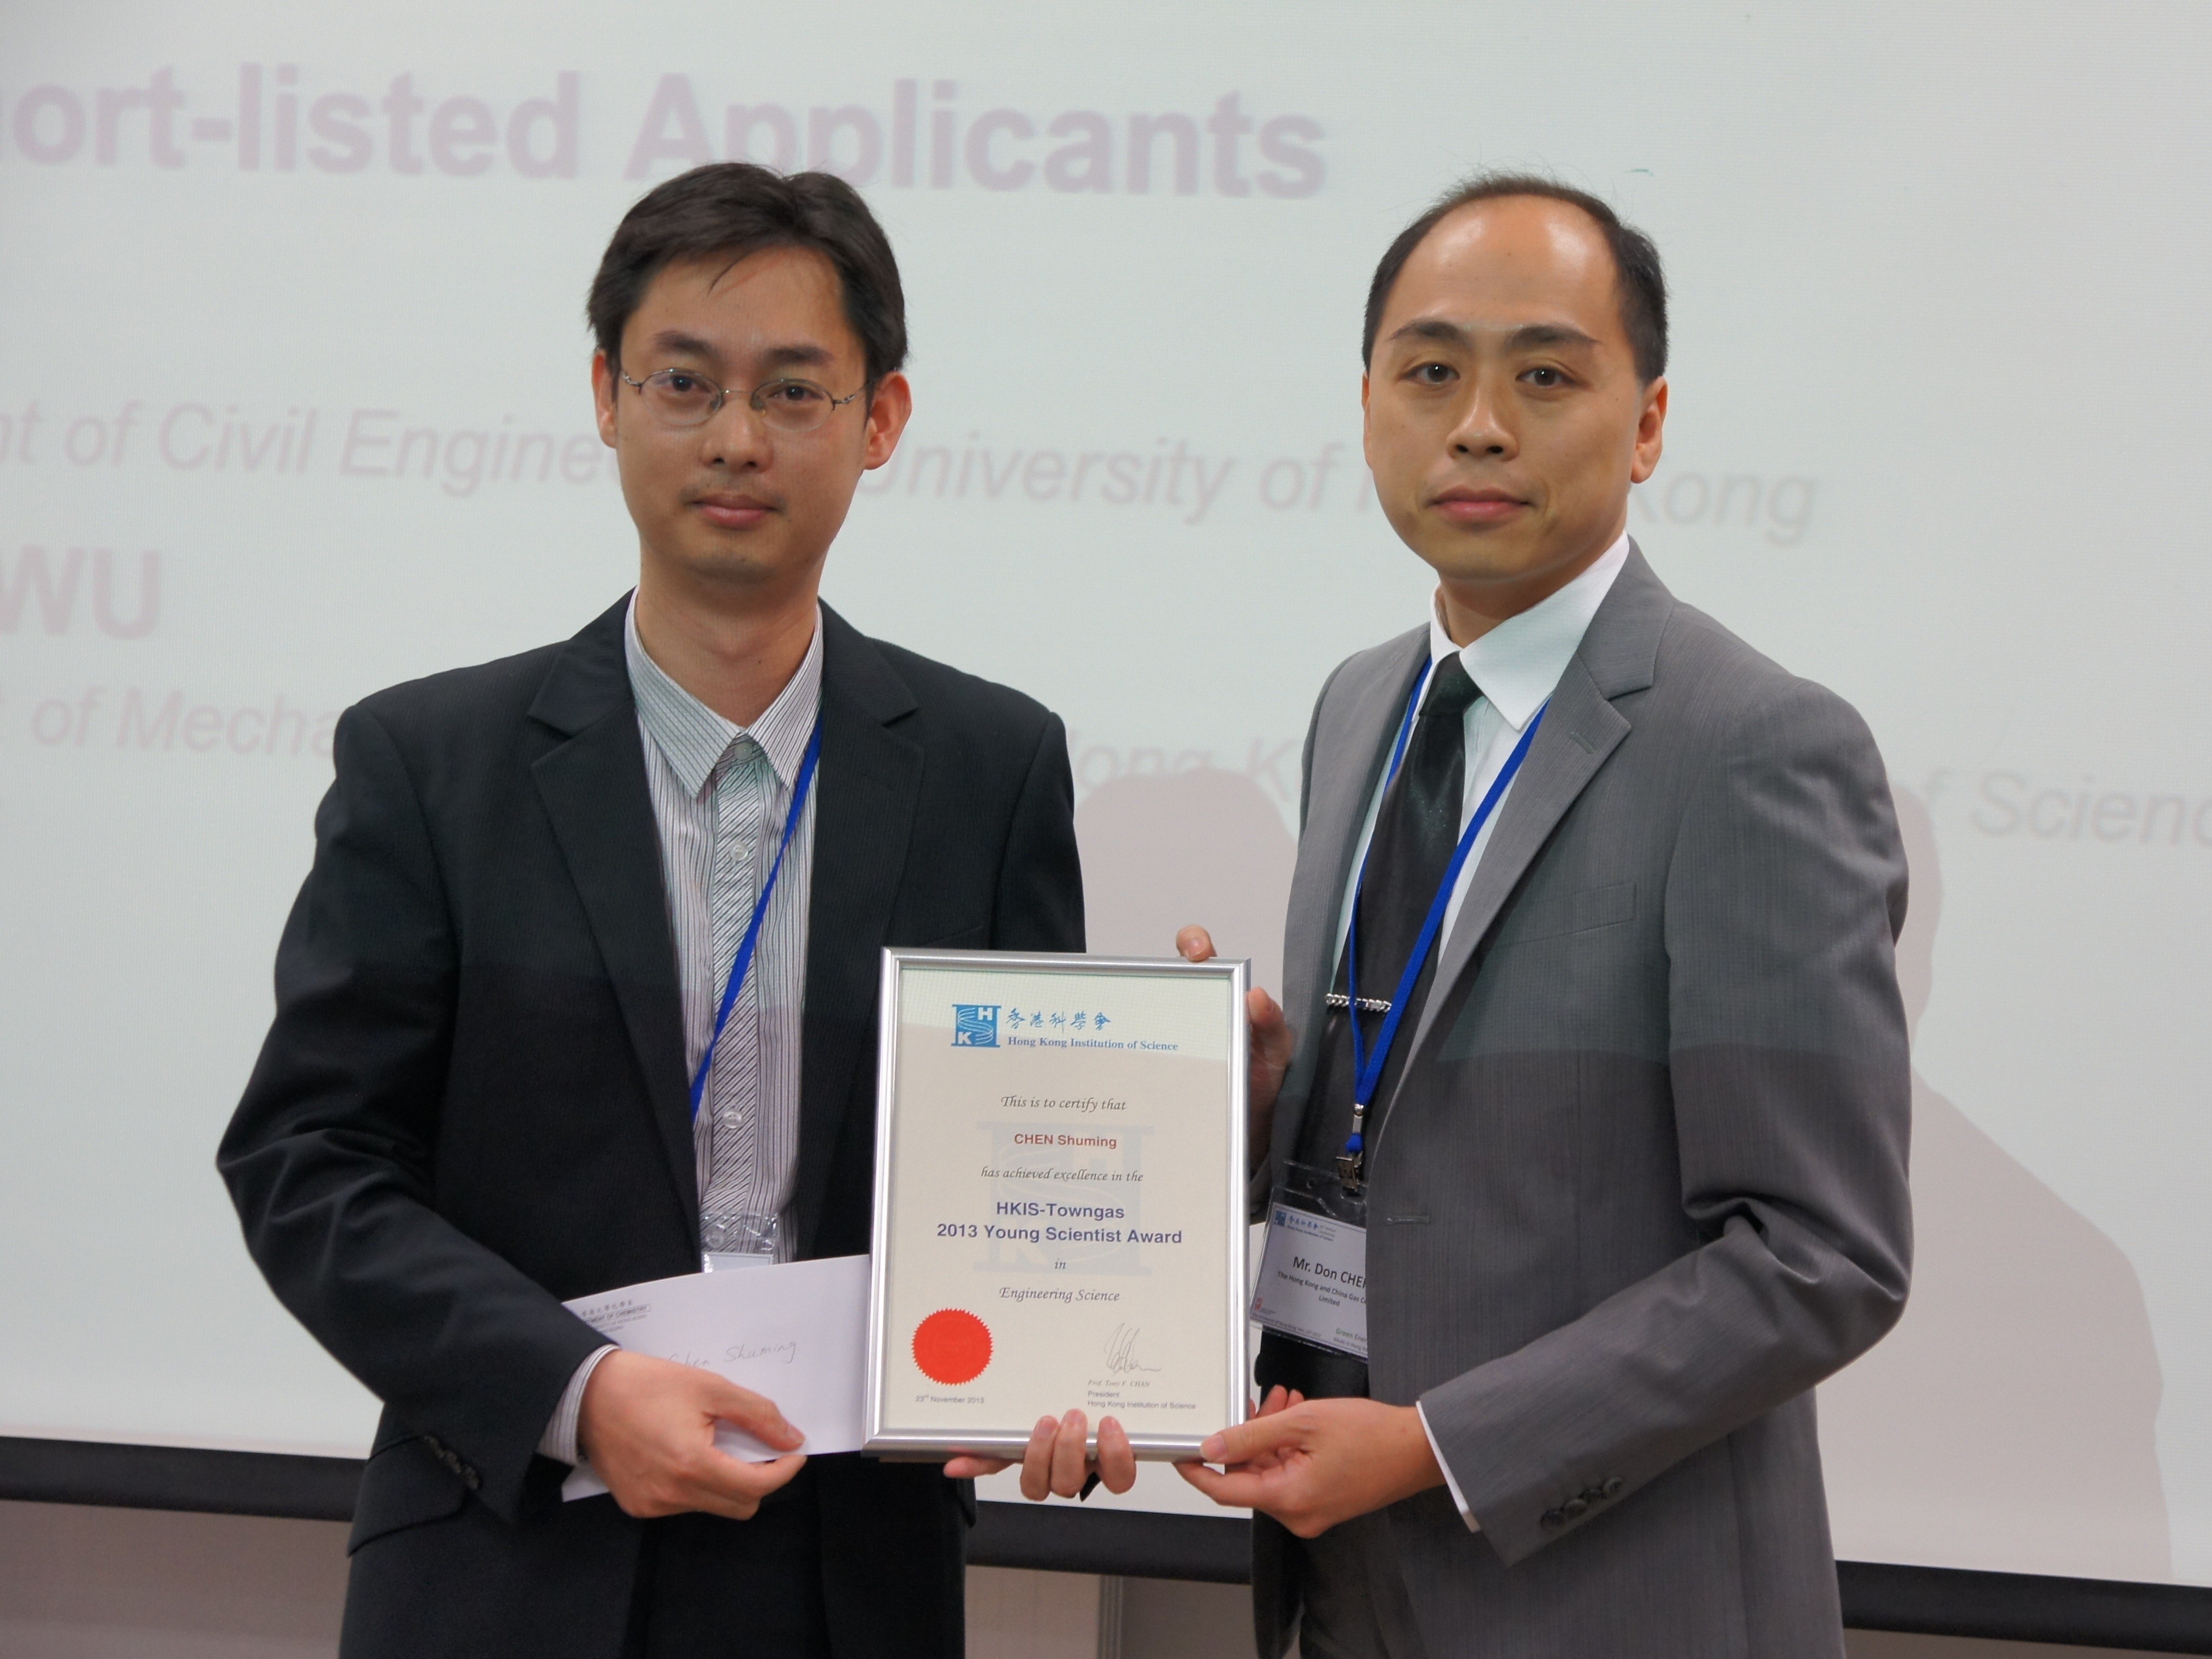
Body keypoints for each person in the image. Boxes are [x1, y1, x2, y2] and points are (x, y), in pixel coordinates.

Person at [218, 163, 1083, 1659]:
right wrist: (577, 1391)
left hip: (846, 1576)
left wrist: (1079, 1343)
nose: (735, 438)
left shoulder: (992, 767)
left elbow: (1024, 1174)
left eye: (794, 391)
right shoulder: (430, 764)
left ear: (880, 422)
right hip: (508, 1561)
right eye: (685, 383)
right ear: (608, 397)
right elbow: (311, 1165)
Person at [1169, 174, 1916, 1657]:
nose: (1480, 425)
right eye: (1431, 371)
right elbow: (1425, 1142)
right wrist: (1263, 1113)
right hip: (1342, 1578)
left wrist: (1438, 1444)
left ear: (1645, 425)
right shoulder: (1361, 703)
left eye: (1545, 375)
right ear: (1367, 400)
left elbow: (1818, 1256)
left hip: (1609, 1602)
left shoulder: (1753, 745)